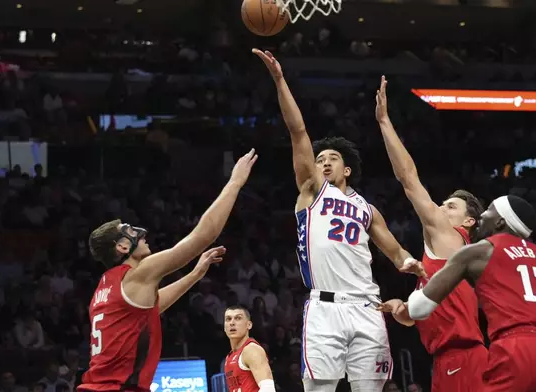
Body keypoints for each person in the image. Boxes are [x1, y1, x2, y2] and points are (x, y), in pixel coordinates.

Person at [253, 49, 424, 392]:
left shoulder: (367, 208)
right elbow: (297, 130)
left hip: (367, 307)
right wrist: (280, 80)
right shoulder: (311, 191)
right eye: (320, 159)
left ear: (347, 169)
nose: (324, 162)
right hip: (325, 308)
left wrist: (408, 262)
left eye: (332, 158)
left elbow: (393, 250)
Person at [393, 195, 536, 392]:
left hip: (522, 350)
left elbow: (418, 309)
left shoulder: (479, 252)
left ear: (500, 223)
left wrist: (418, 285)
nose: (483, 215)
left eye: (489, 212)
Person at [77, 149, 258, 392]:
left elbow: (152, 307)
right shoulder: (139, 273)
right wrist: (235, 182)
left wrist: (194, 275)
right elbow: (203, 235)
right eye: (130, 232)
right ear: (121, 246)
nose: (141, 233)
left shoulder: (105, 287)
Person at [374, 76, 487, 391]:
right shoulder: (442, 261)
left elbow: (408, 178)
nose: (440, 208)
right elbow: (414, 316)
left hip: (462, 358)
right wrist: (400, 308)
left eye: (451, 207)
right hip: (448, 360)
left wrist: (384, 122)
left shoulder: (452, 240)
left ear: (468, 223)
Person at [224, 306, 275, 392]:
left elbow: (268, 389)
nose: (232, 323)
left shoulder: (252, 350)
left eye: (238, 318)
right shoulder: (229, 356)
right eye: (228, 319)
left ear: (249, 325)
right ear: (224, 328)